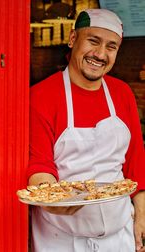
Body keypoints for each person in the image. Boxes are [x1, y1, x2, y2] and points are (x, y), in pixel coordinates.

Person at [27, 8, 145, 252]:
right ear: (73, 40)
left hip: (119, 235)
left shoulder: (122, 93)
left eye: (111, 47)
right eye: (93, 41)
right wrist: (50, 198)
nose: (100, 54)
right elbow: (39, 164)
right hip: (60, 237)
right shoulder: (41, 96)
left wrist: (142, 214)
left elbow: (135, 161)